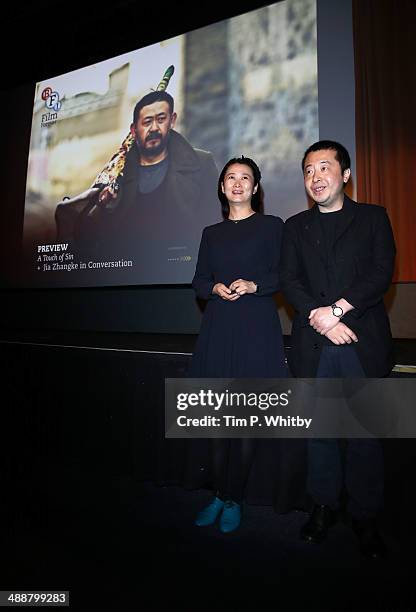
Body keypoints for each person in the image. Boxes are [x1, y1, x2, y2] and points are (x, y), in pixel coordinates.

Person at [279, 140, 396, 559]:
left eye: (324, 168)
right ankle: (323, 507)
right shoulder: (294, 226)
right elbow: (289, 280)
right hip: (315, 344)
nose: (315, 177)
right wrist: (320, 317)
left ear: (345, 175)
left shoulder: (373, 218)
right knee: (321, 434)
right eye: (308, 170)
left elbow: (381, 271)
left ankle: (366, 517)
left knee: (365, 435)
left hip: (361, 342)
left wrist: (338, 310)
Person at [189, 156, 288, 533]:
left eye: (245, 178)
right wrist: (213, 287)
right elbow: (198, 281)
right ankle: (218, 493)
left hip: (256, 328)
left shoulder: (272, 226)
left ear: (256, 187)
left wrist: (255, 285)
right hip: (219, 328)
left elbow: (284, 275)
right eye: (231, 177)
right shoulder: (210, 233)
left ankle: (234, 499)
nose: (237, 183)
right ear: (221, 187)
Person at [55, 88, 219, 280]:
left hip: (182, 278)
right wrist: (104, 206)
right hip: (125, 280)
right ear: (134, 130)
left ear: (172, 120)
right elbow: (91, 238)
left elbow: (215, 224)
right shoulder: (117, 174)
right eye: (147, 122)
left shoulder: (201, 163)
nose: (154, 128)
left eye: (161, 119)